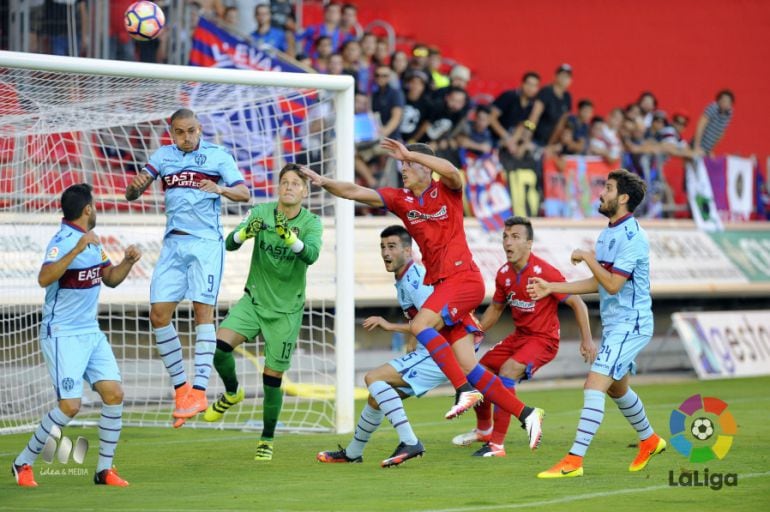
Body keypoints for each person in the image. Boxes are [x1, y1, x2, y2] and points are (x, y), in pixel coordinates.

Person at [300, 139, 546, 451]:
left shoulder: (447, 190)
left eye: (407, 165)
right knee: (472, 368)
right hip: (444, 287)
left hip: (463, 279)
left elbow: (453, 172)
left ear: (425, 168)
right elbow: (354, 192)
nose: (402, 169)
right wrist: (325, 182)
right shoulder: (401, 200)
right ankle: (527, 413)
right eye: (400, 164)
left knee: (420, 326)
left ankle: (463, 391)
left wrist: (411, 153)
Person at [529, 169, 666, 478]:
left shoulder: (633, 237)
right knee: (617, 389)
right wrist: (554, 288)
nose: (601, 193)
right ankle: (650, 440)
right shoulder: (608, 234)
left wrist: (589, 256)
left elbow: (615, 285)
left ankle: (574, 461)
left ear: (623, 198)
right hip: (617, 325)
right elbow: (599, 282)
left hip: (632, 324)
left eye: (607, 188)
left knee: (594, 384)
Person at [316, 225, 483, 467]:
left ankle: (410, 442)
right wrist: (412, 342)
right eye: (382, 247)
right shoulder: (404, 279)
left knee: (373, 378)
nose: (386, 252)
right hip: (431, 352)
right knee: (378, 398)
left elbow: (434, 322)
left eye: (392, 246)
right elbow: (421, 320)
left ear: (408, 250)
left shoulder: (416, 281)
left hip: (440, 353)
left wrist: (390, 326)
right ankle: (353, 453)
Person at [124, 108, 249, 428]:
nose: (187, 137)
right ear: (172, 132)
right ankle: (181, 390)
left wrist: (219, 189)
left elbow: (244, 193)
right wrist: (135, 187)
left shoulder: (218, 156)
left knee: (202, 311)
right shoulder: (163, 156)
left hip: (206, 244)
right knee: (158, 314)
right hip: (173, 244)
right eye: (180, 132)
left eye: (191, 130)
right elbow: (131, 192)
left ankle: (199, 389)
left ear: (199, 129)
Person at [12, 184, 141, 487]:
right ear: (87, 210)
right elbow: (44, 278)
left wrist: (128, 262)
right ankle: (23, 463)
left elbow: (109, 279)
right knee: (70, 406)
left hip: (90, 333)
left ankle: (104, 470)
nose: (96, 209)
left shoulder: (93, 242)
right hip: (62, 334)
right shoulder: (64, 241)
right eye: (94, 205)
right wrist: (77, 249)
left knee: (114, 394)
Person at [201, 164, 322, 461]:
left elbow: (311, 255)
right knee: (218, 347)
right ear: (277, 186)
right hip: (253, 301)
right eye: (285, 182)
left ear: (305, 191)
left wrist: (289, 237)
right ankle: (232, 393)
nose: (289, 187)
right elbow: (229, 244)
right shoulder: (260, 212)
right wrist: (244, 233)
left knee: (272, 379)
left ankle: (266, 438)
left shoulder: (312, 223)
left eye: (295, 183)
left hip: (286, 311)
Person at [452, 216, 595, 457]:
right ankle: (485, 430)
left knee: (508, 371)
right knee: (479, 372)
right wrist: (474, 334)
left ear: (529, 243)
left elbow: (577, 302)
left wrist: (587, 340)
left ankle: (497, 444)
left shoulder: (544, 271)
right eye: (505, 237)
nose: (508, 242)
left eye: (515, 237)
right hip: (520, 336)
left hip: (544, 340)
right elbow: (496, 309)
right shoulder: (504, 274)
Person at [693, 89, 734, 156]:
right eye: (724, 101)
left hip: (708, 150)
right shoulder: (713, 107)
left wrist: (711, 149)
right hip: (698, 145)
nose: (726, 103)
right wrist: (696, 146)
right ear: (718, 100)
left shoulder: (729, 113)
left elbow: (721, 132)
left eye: (728, 102)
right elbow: (700, 126)